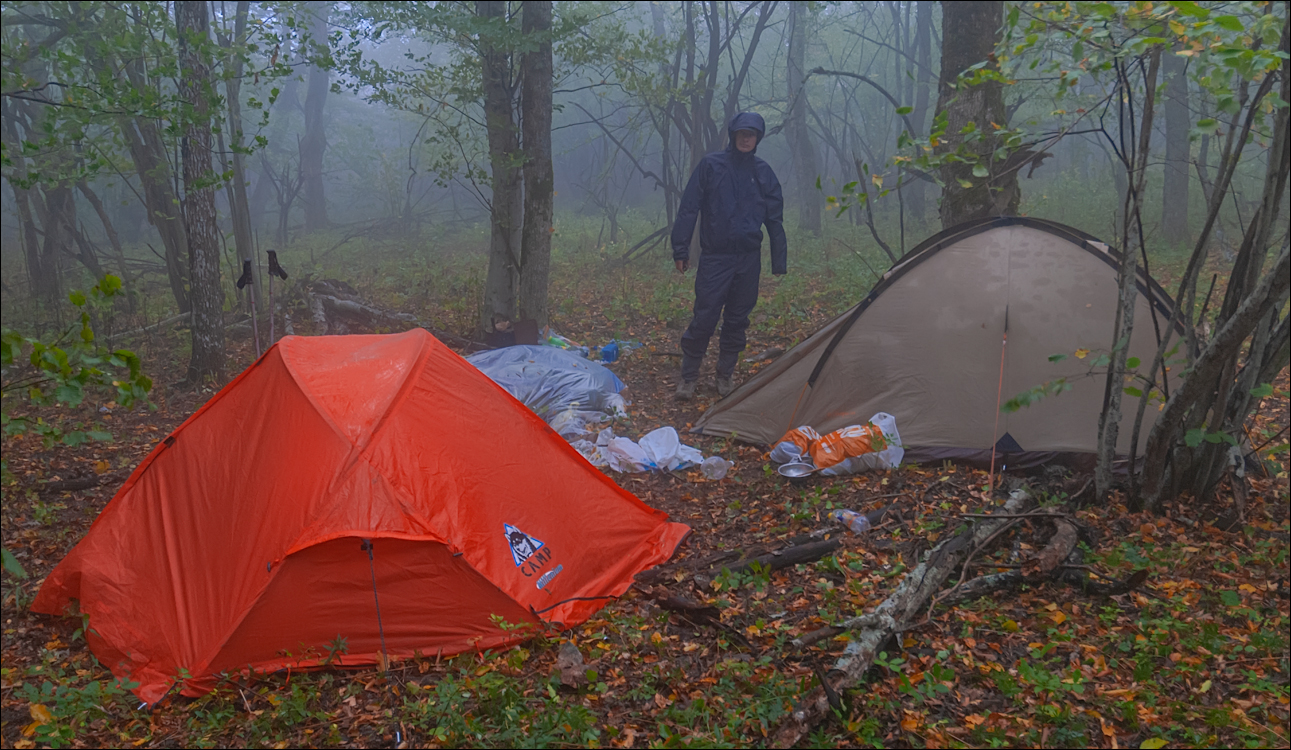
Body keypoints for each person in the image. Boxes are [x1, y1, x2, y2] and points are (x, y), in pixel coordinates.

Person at [671, 111, 787, 401]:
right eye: (742, 133)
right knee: (705, 316)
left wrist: (779, 260)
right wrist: (681, 249)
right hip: (716, 257)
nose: (746, 139)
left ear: (758, 138)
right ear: (733, 135)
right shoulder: (712, 166)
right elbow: (689, 208)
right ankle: (688, 377)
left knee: (737, 319)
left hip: (748, 259)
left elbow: (775, 219)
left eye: (752, 134)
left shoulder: (763, 173)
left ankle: (725, 375)